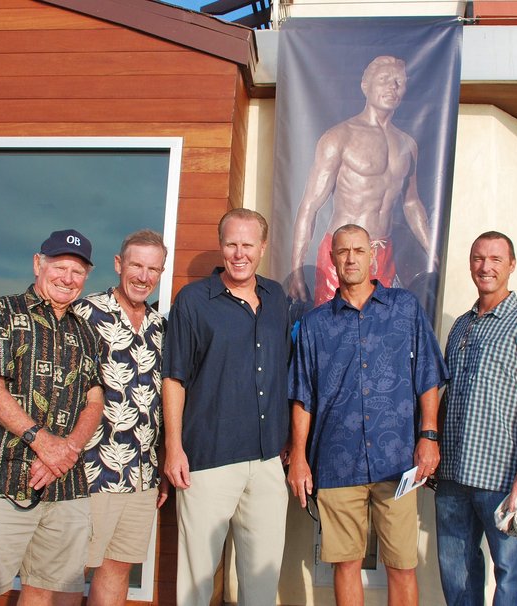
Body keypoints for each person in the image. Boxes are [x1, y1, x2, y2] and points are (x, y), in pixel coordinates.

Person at [288, 223, 447, 606]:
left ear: (372, 255)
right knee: (346, 564)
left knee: (402, 564)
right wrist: (298, 458)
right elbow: (302, 396)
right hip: (338, 461)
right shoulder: (314, 325)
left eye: (359, 250)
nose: (350, 258)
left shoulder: (405, 308)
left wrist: (428, 437)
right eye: (342, 251)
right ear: (331, 258)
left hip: (397, 461)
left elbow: (427, 374)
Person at [0, 229, 104, 606]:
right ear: (39, 264)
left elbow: (95, 401)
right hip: (3, 480)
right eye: (60, 267)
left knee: (51, 594)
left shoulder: (86, 332)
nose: (68, 278)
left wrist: (65, 451)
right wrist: (43, 442)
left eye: (78, 271)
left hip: (66, 486)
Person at [162, 208, 290, 606]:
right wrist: (173, 447)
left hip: (268, 461)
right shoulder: (194, 301)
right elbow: (174, 378)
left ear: (262, 248)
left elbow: (283, 370)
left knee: (261, 583)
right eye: (231, 244)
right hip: (208, 458)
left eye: (248, 244)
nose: (239, 253)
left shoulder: (277, 298)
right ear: (221, 246)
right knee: (197, 583)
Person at [435, 231, 517, 606]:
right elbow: (449, 396)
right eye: (477, 258)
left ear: (512, 266)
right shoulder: (461, 325)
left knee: (509, 575)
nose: (485, 267)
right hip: (454, 475)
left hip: (504, 477)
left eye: (495, 259)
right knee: (457, 573)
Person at [288, 55, 435, 307]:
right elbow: (310, 204)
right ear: (366, 86)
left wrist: (433, 254)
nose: (392, 87)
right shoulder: (339, 137)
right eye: (384, 80)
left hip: (383, 250)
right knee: (333, 329)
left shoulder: (407, 145)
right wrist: (297, 267)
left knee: (379, 330)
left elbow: (411, 204)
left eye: (399, 82)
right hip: (345, 252)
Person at [74, 229, 169, 606]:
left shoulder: (161, 327)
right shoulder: (86, 314)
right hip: (89, 471)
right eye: (136, 265)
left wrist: (161, 462)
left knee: (117, 568)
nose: (144, 276)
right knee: (66, 568)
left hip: (142, 475)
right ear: (118, 264)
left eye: (153, 269)